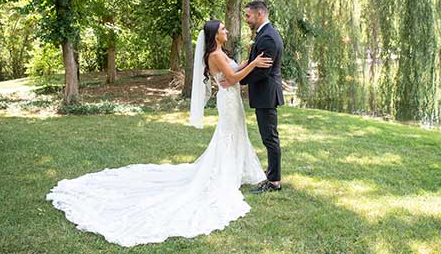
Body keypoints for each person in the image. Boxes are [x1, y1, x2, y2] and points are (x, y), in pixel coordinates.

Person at [46, 19, 273, 247]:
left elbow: (234, 71)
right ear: (215, 34)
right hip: (228, 100)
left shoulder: (221, 53)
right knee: (227, 137)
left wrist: (250, 61)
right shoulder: (214, 55)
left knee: (235, 136)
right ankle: (225, 174)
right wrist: (253, 65)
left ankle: (233, 170)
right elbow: (233, 79)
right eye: (223, 29)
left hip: (233, 100)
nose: (226, 31)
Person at [221, 0, 284, 194]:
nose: (246, 19)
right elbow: (255, 63)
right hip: (265, 94)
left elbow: (263, 72)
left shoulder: (267, 38)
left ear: (260, 14)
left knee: (270, 138)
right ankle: (272, 174)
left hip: (266, 94)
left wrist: (238, 80)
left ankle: (274, 182)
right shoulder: (265, 35)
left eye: (248, 16)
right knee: (269, 136)